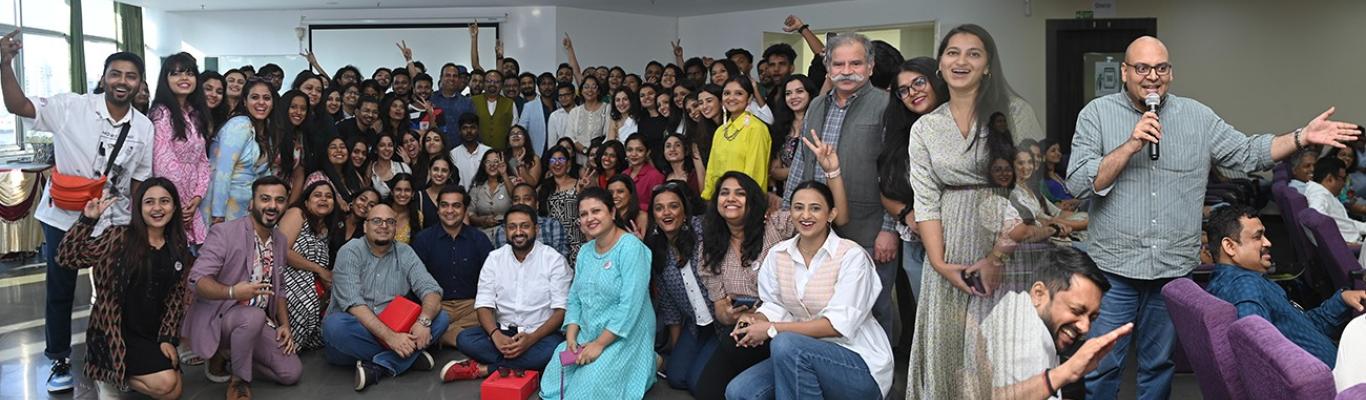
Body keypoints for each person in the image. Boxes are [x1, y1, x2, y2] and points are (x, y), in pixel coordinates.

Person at [1065, 36, 1360, 400]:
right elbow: (1079, 183)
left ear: (1171, 73)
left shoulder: (1197, 117)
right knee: (1103, 366)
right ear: (1125, 72)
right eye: (1142, 68)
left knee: (1159, 366)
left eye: (1161, 68)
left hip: (1172, 270)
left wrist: (1301, 137)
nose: (1152, 76)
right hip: (1114, 269)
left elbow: (1248, 153)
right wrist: (1130, 146)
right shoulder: (1096, 114)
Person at [2, 33, 154, 391]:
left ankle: (113, 353)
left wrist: (140, 226)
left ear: (139, 84)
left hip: (114, 220)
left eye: (131, 76)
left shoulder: (143, 126)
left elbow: (139, 180)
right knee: (61, 289)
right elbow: (18, 105)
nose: (122, 81)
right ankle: (59, 359)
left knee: (116, 289)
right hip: (64, 218)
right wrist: (5, 63)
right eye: (116, 74)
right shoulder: (71, 106)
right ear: (104, 77)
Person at [905, 24, 1029, 399]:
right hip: (947, 247)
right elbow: (925, 199)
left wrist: (995, 258)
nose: (961, 61)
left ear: (988, 65)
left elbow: (1027, 196)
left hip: (1006, 244)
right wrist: (940, 264)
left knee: (996, 354)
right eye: (952, 52)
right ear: (940, 65)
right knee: (946, 351)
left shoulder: (1017, 113)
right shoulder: (925, 127)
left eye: (973, 53)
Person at [696, 133, 848, 399]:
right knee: (704, 390)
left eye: (740, 193)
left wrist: (832, 172)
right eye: (724, 193)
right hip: (742, 329)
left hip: (786, 326)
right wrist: (729, 314)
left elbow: (833, 218)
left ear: (753, 199)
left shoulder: (775, 225)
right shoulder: (710, 245)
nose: (731, 198)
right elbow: (719, 308)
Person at [726, 180, 892, 399]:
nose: (805, 215)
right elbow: (774, 305)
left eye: (815, 208)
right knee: (739, 392)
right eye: (798, 207)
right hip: (797, 354)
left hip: (858, 362)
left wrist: (771, 329)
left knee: (785, 344)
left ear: (831, 214)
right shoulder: (778, 254)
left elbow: (837, 326)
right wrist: (755, 319)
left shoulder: (852, 256)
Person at [783, 32, 900, 341]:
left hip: (869, 229)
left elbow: (895, 171)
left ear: (871, 67)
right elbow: (802, 162)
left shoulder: (887, 105)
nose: (847, 71)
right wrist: (786, 213)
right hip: (817, 228)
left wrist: (889, 228)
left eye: (856, 63)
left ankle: (879, 370)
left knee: (874, 309)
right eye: (838, 64)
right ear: (828, 67)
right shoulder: (817, 105)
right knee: (825, 308)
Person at [56, 178, 193, 399]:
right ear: (139, 208)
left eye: (164, 201)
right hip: (114, 332)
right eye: (149, 202)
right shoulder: (118, 236)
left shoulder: (177, 245)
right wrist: (87, 220)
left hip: (150, 332)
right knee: (167, 383)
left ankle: (116, 376)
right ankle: (107, 376)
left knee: (173, 391)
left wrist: (167, 337)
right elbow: (66, 258)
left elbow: (175, 297)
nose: (157, 208)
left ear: (174, 207)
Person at [184, 176, 303, 399]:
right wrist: (232, 292)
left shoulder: (279, 240)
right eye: (265, 199)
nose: (272, 206)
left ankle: (229, 356)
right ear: (251, 203)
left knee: (291, 373)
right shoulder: (225, 233)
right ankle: (239, 381)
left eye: (279, 200)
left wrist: (285, 325)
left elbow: (280, 287)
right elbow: (196, 279)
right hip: (221, 317)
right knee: (253, 316)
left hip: (254, 322)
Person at [1203, 206, 1366, 367]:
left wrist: (1341, 300)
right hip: (1328, 380)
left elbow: (1302, 327)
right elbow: (1256, 356)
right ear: (1230, 246)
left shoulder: (1239, 280)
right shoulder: (1244, 287)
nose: (1268, 242)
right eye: (1257, 237)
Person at [539, 188, 657, 399]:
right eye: (584, 214)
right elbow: (574, 298)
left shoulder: (631, 248)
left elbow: (630, 305)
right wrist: (571, 336)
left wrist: (600, 344)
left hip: (624, 333)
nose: (589, 218)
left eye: (596, 211)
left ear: (612, 212)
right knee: (552, 383)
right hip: (589, 330)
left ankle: (648, 363)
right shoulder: (585, 251)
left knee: (588, 389)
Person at [322, 202, 451, 390]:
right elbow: (354, 304)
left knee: (441, 317)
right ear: (365, 226)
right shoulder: (350, 251)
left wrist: (423, 321)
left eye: (389, 222)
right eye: (377, 221)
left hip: (395, 326)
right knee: (334, 325)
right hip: (356, 334)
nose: (383, 226)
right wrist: (391, 339)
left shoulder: (405, 252)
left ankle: (380, 366)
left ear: (395, 227)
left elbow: (431, 289)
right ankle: (408, 358)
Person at [979, 246, 1133, 400]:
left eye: (1092, 318)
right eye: (1076, 311)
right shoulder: (1029, 347)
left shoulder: (1017, 306)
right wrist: (1067, 372)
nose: (1085, 327)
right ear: (1039, 293)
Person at [444, 205, 572, 381]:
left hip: (540, 336)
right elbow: (483, 305)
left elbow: (561, 311)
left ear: (536, 229)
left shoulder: (554, 260)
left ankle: (485, 369)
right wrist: (495, 335)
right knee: (465, 339)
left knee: (555, 348)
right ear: (505, 231)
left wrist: (531, 339)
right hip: (503, 334)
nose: (518, 232)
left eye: (524, 226)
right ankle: (525, 367)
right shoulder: (494, 259)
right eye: (512, 227)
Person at [879, 57, 948, 302]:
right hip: (915, 241)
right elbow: (886, 186)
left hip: (956, 237)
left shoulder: (962, 124)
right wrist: (906, 214)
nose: (913, 93)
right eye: (904, 90)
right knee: (925, 315)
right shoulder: (899, 134)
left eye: (919, 82)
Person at [645, 181, 713, 395]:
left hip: (722, 324)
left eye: (673, 206)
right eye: (659, 208)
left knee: (698, 383)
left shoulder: (702, 230)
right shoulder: (658, 251)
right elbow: (669, 306)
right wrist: (677, 351)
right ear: (654, 216)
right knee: (676, 376)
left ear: (684, 212)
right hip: (695, 326)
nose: (666, 212)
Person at [412, 186, 495, 348]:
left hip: (471, 308)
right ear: (438, 209)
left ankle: (443, 335)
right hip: (438, 307)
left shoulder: (479, 239)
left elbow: (493, 279)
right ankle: (465, 339)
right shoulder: (423, 240)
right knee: (429, 320)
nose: (450, 211)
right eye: (444, 205)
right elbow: (414, 281)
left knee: (493, 316)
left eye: (456, 206)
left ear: (465, 210)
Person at [150, 52, 213, 249]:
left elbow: (202, 160)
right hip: (169, 200)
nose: (184, 78)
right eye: (176, 73)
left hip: (192, 202)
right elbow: (163, 162)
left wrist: (197, 197)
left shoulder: (195, 114)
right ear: (166, 79)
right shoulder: (161, 113)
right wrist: (181, 203)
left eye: (189, 73)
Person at [278, 181, 343, 352]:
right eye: (317, 195)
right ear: (306, 201)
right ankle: (285, 350)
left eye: (328, 196)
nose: (323, 199)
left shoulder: (327, 228)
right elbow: (281, 251)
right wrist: (319, 270)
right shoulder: (297, 213)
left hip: (313, 282)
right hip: (285, 275)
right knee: (305, 304)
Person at [207, 79, 277, 224]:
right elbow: (222, 172)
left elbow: (264, 177)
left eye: (266, 98)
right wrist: (218, 214)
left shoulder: (267, 131)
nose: (261, 103)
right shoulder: (239, 124)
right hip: (224, 207)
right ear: (245, 101)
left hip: (249, 209)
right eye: (255, 97)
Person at [702, 75, 772, 200]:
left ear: (749, 98)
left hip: (745, 201)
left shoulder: (756, 129)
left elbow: (755, 173)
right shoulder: (720, 131)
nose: (731, 98)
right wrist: (708, 197)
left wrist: (746, 201)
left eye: (738, 93)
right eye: (727, 93)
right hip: (720, 201)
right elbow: (712, 171)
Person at [769, 74, 818, 193]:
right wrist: (804, 169)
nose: (793, 97)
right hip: (787, 193)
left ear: (810, 94)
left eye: (799, 91)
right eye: (788, 93)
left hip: (815, 191)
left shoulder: (819, 123)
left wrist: (788, 171)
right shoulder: (780, 127)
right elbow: (774, 171)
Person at [492, 182, 569, 257]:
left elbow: (560, 258)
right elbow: (503, 260)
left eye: (527, 199)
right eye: (516, 200)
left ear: (537, 204)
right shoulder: (503, 230)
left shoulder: (552, 225)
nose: (521, 203)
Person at [1305, 158, 1366, 246]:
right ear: (1330, 179)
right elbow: (1316, 222)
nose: (1344, 184)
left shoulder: (1323, 193)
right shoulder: (1319, 196)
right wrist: (1343, 245)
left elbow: (1346, 223)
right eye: (1343, 179)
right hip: (1351, 247)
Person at [539, 145, 585, 262]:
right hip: (554, 243)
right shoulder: (544, 188)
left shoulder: (579, 184)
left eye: (561, 159)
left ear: (568, 163)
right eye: (553, 160)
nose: (557, 163)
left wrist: (582, 192)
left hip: (577, 240)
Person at [469, 150, 515, 238]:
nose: (492, 165)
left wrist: (504, 174)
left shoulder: (511, 181)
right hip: (482, 234)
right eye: (488, 162)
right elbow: (470, 213)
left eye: (496, 161)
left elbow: (516, 197)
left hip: (507, 233)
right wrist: (482, 220)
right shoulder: (477, 187)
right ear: (484, 165)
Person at [471, 69, 518, 150]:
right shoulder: (472, 101)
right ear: (484, 83)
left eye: (496, 82)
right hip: (477, 152)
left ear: (502, 85)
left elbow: (514, 129)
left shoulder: (510, 104)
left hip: (503, 152)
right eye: (489, 81)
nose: (492, 84)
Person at [567, 75, 612, 158]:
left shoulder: (607, 108)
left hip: (600, 157)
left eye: (594, 87)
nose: (590, 90)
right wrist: (585, 150)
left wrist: (596, 153)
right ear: (581, 91)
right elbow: (570, 137)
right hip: (578, 159)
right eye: (586, 87)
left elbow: (609, 135)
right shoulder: (574, 112)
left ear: (598, 91)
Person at [432, 63, 474, 145]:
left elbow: (472, 128)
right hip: (435, 147)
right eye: (448, 75)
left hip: (460, 148)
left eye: (455, 76)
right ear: (441, 78)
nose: (451, 78)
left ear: (458, 79)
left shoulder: (467, 102)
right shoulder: (431, 99)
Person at [450, 112, 492, 189]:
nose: (469, 131)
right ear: (459, 131)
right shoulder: (453, 155)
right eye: (465, 128)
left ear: (478, 130)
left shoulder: (488, 152)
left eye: (472, 127)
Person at [517, 73, 557, 154]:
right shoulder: (529, 106)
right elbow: (521, 131)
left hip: (556, 152)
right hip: (536, 152)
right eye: (543, 84)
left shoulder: (559, 106)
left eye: (550, 84)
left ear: (555, 86)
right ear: (538, 87)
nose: (547, 87)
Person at [624, 135, 665, 210]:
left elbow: (658, 205)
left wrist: (632, 206)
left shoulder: (655, 176)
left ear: (647, 152)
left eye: (639, 150)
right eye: (630, 150)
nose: (634, 154)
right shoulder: (624, 174)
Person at [387, 174, 422, 243]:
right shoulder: (381, 211)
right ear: (392, 192)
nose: (402, 194)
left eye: (407, 190)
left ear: (412, 193)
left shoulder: (418, 216)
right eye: (398, 190)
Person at [546, 82, 577, 151]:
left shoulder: (582, 112)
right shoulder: (554, 116)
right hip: (561, 155)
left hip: (581, 154)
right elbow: (552, 143)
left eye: (566, 95)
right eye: (560, 96)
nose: (563, 98)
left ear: (574, 95)